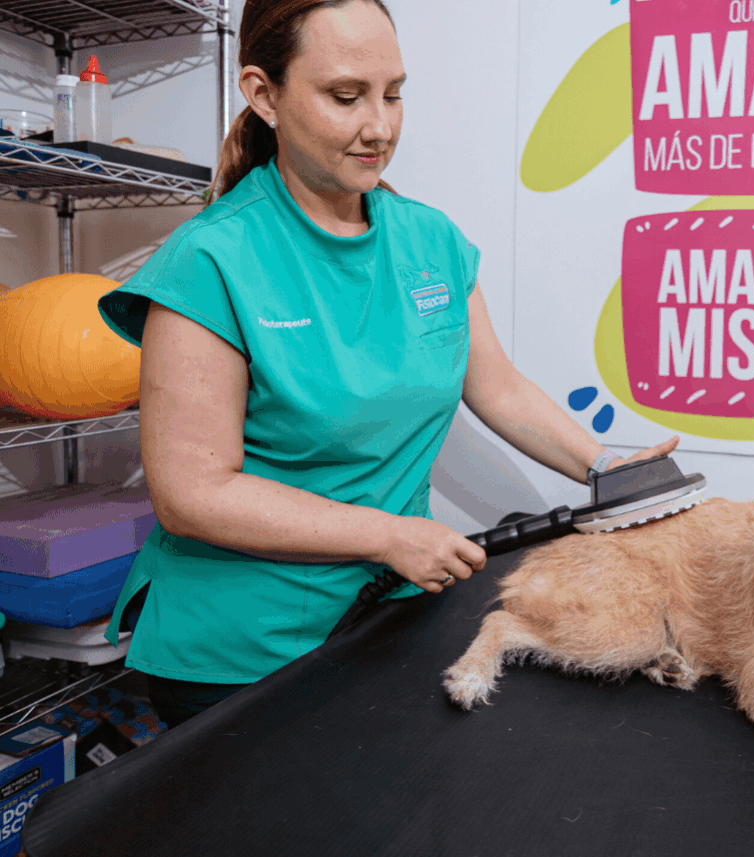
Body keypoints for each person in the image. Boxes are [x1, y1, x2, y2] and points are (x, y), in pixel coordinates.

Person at [97, 0, 677, 728]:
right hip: (240, 653)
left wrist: (605, 469)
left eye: (393, 93)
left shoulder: (430, 240)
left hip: (387, 621)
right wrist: (388, 535)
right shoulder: (211, 259)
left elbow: (496, 386)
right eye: (346, 97)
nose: (380, 127)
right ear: (263, 94)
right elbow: (192, 493)